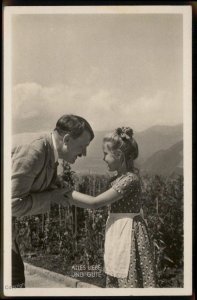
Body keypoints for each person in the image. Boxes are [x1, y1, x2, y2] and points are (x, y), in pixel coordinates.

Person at [66, 127, 156, 288]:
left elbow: (95, 202)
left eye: (105, 154)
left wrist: (65, 193)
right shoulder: (116, 179)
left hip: (129, 233)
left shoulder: (130, 180)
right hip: (118, 231)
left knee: (129, 278)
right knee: (116, 274)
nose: (103, 158)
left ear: (119, 155)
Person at [11, 114, 94, 287]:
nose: (84, 153)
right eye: (83, 146)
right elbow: (12, 205)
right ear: (67, 139)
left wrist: (97, 203)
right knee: (15, 280)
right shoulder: (35, 151)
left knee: (16, 279)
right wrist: (52, 197)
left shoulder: (48, 152)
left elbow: (53, 186)